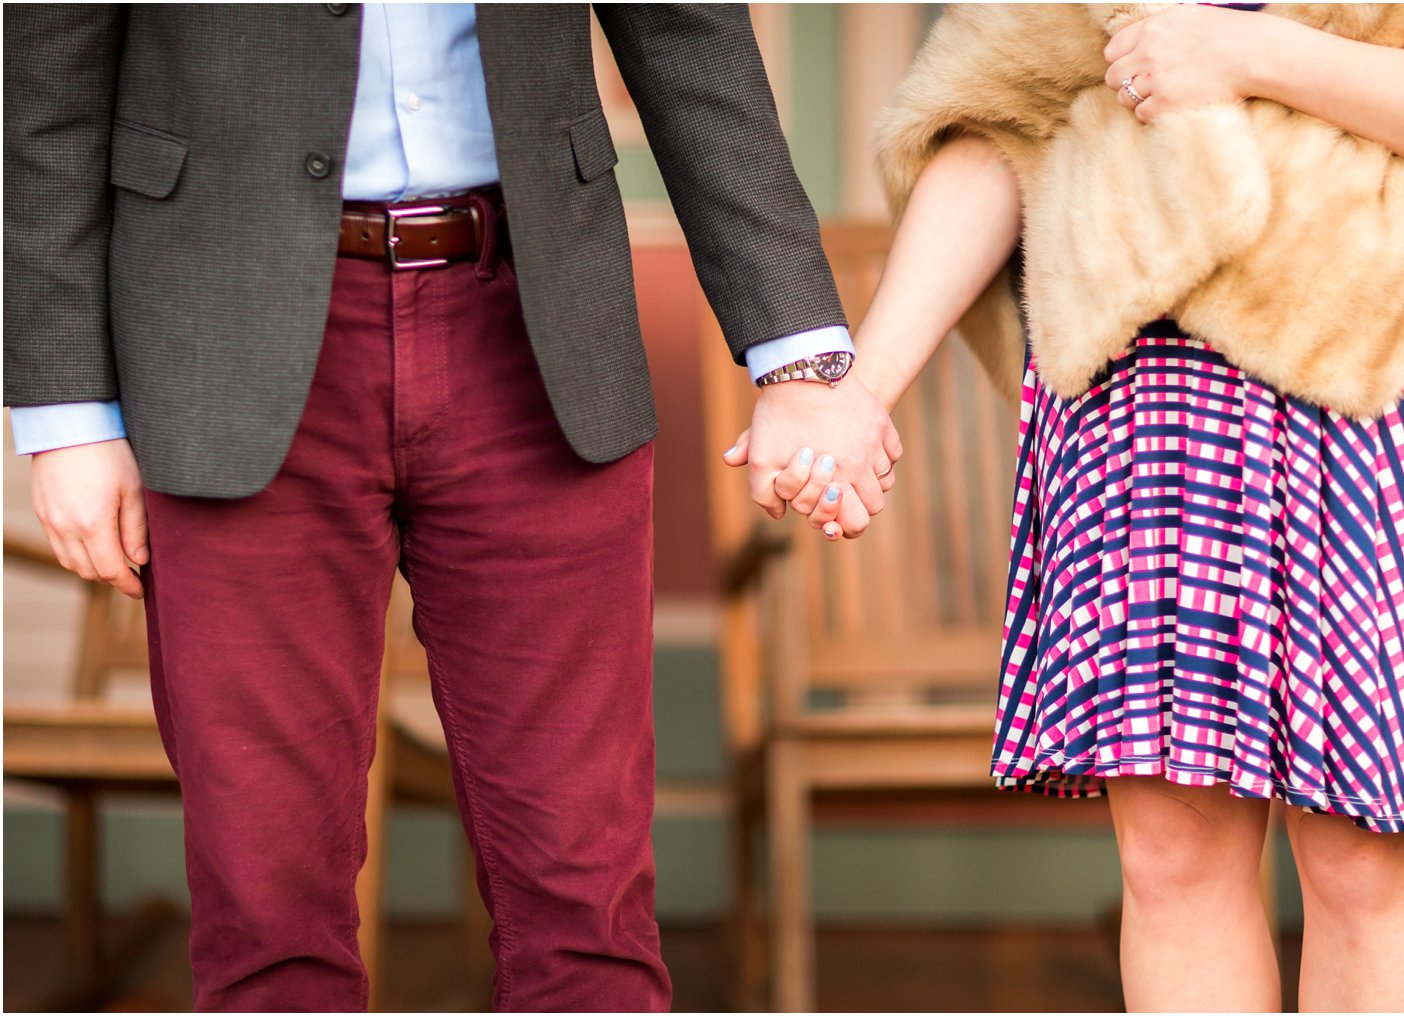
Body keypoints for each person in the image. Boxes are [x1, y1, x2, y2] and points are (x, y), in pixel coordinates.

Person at [4, 5, 900, 1011]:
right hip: (224, 343)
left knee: (586, 894)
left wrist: (798, 355)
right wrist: (67, 410)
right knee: (266, 912)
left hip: (537, 327)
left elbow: (687, 30)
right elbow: (46, 84)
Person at [730, 4, 1404, 1011]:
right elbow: (998, 122)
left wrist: (1252, 53)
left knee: (1365, 863)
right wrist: (857, 390)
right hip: (1147, 383)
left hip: (1381, 375)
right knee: (1170, 858)